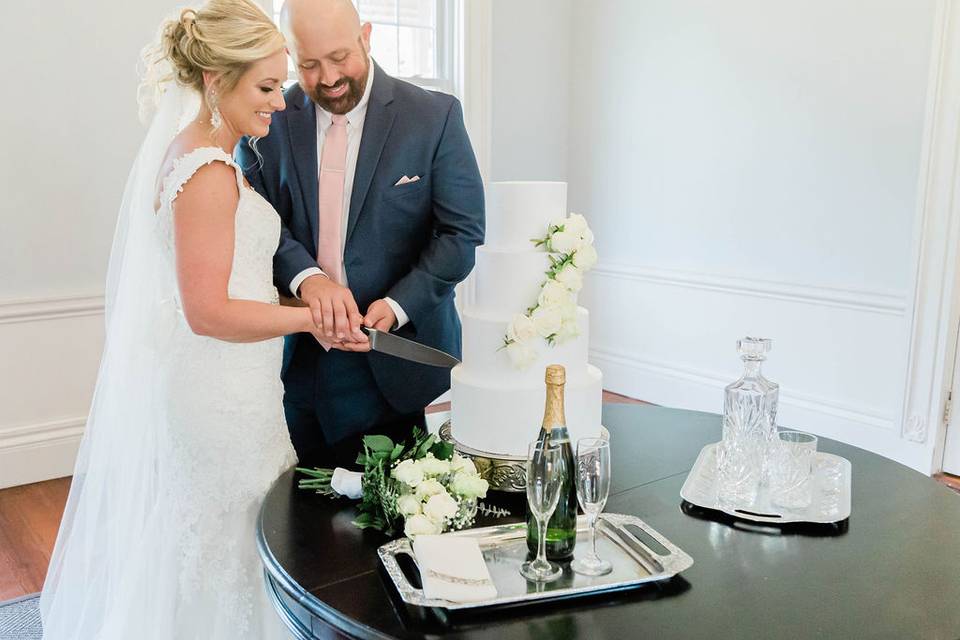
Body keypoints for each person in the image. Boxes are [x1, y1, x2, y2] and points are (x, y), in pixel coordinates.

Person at [39, 1, 307, 637]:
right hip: (220, 395)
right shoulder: (209, 173)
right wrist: (306, 322)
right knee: (228, 535)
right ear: (217, 81)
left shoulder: (204, 156)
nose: (279, 101)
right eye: (266, 87)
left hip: (231, 384)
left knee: (224, 531)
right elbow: (207, 311)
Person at [237, 0, 485, 467]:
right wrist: (308, 278)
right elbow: (259, 221)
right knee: (300, 513)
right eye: (309, 64)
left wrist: (395, 306)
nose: (328, 77)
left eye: (339, 58)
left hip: (396, 361)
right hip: (299, 357)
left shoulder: (433, 117)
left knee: (391, 513)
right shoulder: (267, 117)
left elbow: (461, 232)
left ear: (366, 37)